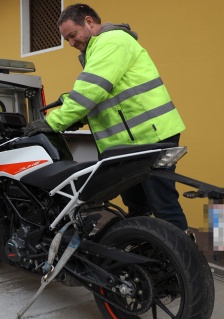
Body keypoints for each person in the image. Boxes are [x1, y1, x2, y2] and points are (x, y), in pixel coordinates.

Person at [24, 3, 190, 233]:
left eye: (73, 35)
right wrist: (76, 114)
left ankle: (182, 263)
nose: (72, 43)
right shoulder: (96, 50)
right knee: (137, 205)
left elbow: (90, 91)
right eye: (67, 40)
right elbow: (104, 95)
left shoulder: (111, 41)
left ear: (90, 22)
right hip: (129, 143)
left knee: (163, 204)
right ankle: (146, 253)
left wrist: (52, 122)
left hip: (150, 137)